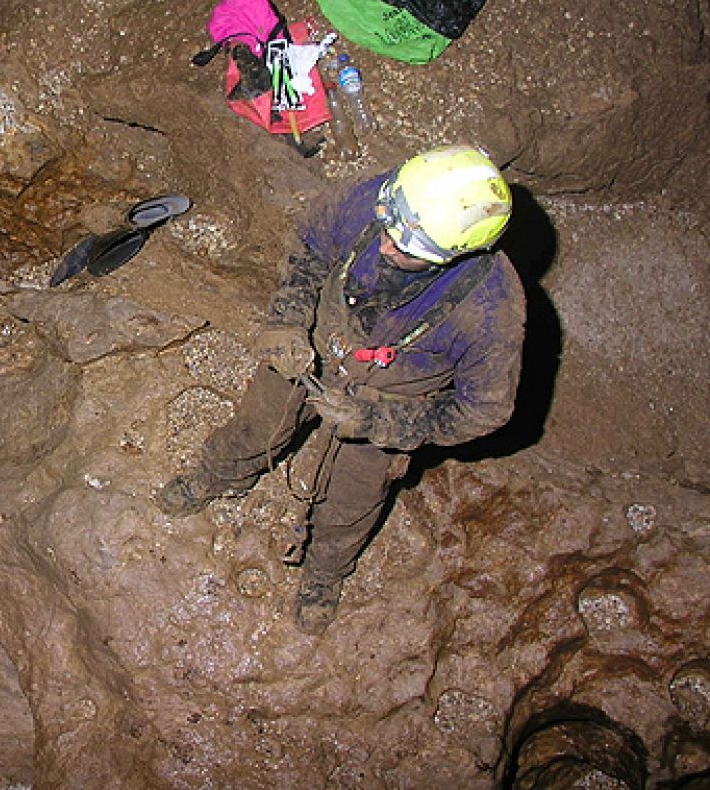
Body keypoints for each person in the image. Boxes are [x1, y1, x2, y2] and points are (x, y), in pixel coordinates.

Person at [157, 145, 525, 635]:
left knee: (353, 498)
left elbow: (484, 411)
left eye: (407, 248)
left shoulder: (490, 310)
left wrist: (380, 424)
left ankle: (326, 572)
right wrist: (288, 321)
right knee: (256, 424)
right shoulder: (382, 200)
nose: (387, 246)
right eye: (389, 226)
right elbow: (310, 245)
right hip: (317, 343)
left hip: (389, 404)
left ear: (451, 256)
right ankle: (217, 475)